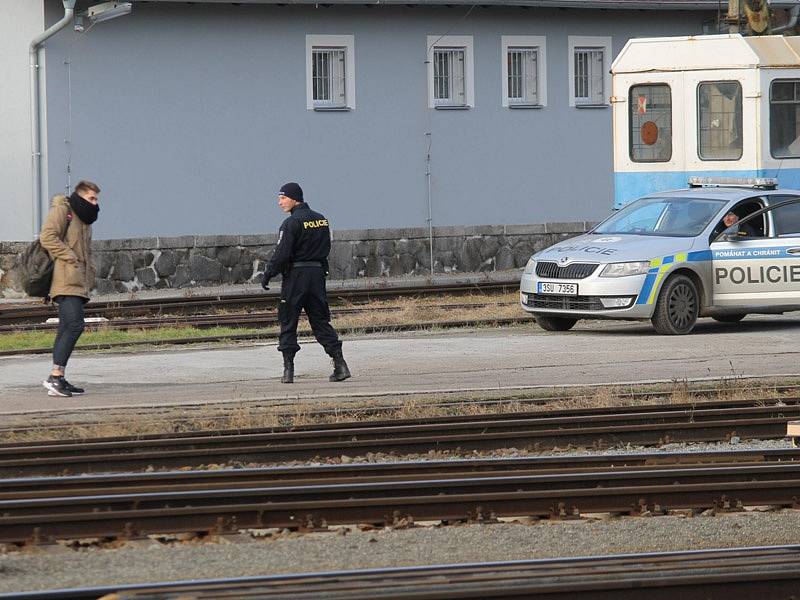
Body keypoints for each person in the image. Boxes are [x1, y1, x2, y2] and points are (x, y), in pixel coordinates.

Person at [262, 182, 350, 384]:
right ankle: (340, 364)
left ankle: (288, 371)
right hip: (317, 275)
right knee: (320, 321)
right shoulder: (321, 220)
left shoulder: (291, 223)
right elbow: (326, 247)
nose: (280, 202)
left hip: (296, 276)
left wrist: (268, 274)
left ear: (294, 199)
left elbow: (281, 254)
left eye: (283, 198)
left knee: (288, 320)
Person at [39, 180, 100, 397]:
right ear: (80, 196)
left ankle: (58, 378)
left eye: (97, 199)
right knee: (75, 326)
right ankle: (55, 377)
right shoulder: (63, 209)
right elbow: (47, 237)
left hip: (77, 280)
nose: (95, 203)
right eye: (91, 198)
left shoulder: (84, 219)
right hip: (64, 279)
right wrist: (70, 256)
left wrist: (88, 271)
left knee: (67, 327)